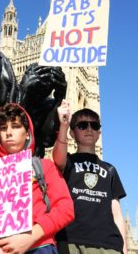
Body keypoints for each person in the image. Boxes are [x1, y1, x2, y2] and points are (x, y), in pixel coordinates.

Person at [0, 103, 75, 254]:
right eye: (3, 128)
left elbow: (65, 208)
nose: (9, 132)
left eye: (16, 126)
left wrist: (32, 236)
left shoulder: (44, 166)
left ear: (27, 134)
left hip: (38, 247)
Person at [53, 99, 128, 254]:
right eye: (82, 125)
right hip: (70, 240)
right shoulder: (67, 162)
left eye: (94, 126)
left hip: (108, 244)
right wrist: (63, 126)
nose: (89, 129)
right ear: (72, 133)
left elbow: (116, 213)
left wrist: (124, 249)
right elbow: (57, 157)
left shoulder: (110, 170)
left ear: (99, 133)